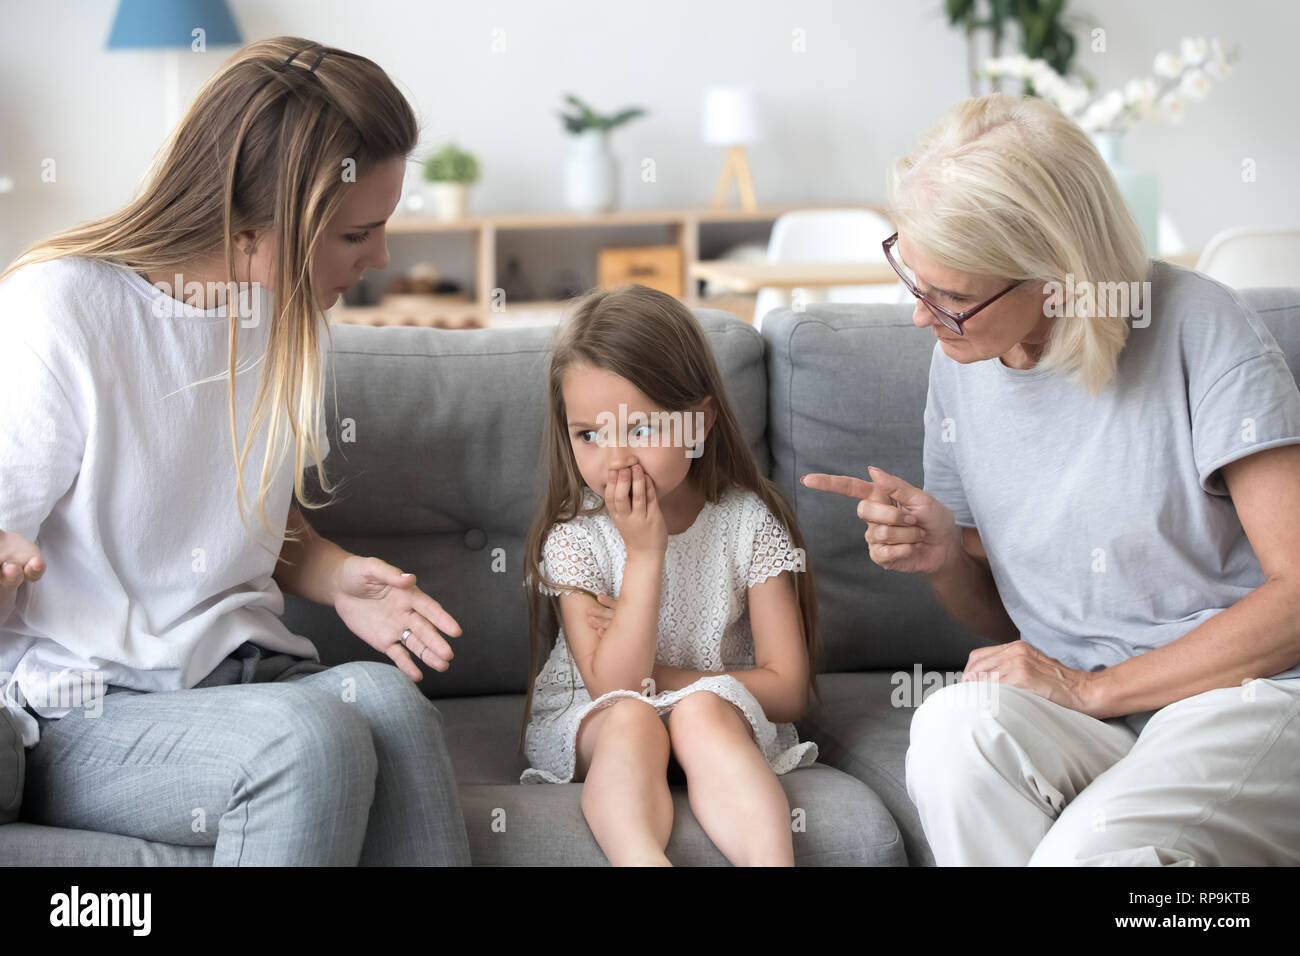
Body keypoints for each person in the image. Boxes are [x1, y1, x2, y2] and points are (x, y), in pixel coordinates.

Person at [0, 37, 470, 865]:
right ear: (257, 228)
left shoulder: (271, 308)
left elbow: (237, 516)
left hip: (241, 679)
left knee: (392, 708)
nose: (382, 258)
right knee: (305, 739)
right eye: (360, 232)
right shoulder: (60, 311)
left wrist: (333, 576)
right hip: (85, 706)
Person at [804, 93, 1300, 866]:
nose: (922, 317)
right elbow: (1006, 619)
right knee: (949, 730)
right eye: (914, 275)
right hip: (1087, 710)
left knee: (1082, 859)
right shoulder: (960, 362)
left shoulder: (1202, 328)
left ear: (1061, 276)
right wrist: (946, 558)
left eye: (954, 298)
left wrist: (1093, 689)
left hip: (1237, 699)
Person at [518, 285, 821, 866]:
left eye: (640, 429)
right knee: (632, 718)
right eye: (590, 435)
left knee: (704, 707)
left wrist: (672, 678)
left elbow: (787, 690)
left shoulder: (746, 524)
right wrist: (645, 555)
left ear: (698, 423)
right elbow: (614, 687)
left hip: (718, 718)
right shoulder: (576, 537)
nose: (614, 459)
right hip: (598, 717)